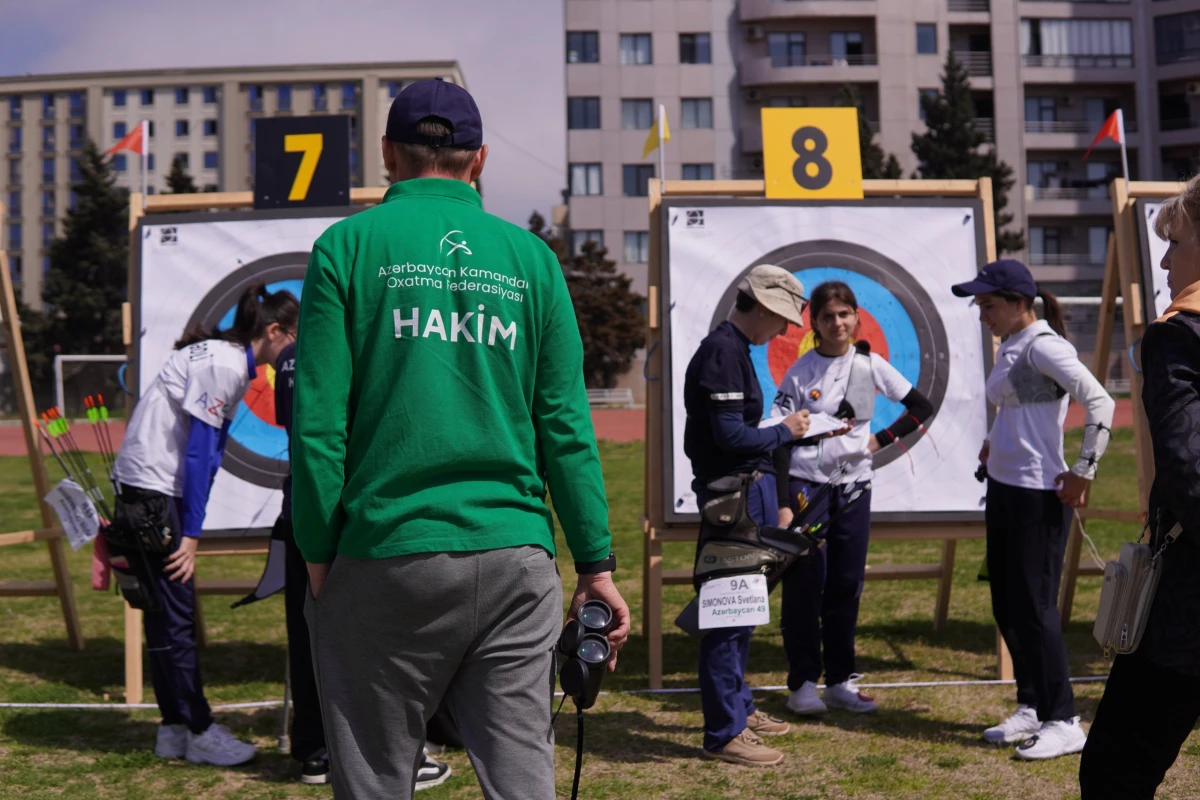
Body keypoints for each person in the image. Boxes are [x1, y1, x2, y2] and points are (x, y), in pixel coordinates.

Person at [291, 78, 629, 800]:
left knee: (376, 781)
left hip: (384, 554)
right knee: (522, 781)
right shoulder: (531, 259)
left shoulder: (345, 247)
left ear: (387, 155)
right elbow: (564, 427)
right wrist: (595, 564)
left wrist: (318, 555)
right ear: (479, 161)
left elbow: (318, 425)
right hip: (514, 560)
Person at [110, 284, 297, 766]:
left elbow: (209, 452)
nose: (296, 351)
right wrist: (191, 533)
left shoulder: (226, 358)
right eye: (294, 339)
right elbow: (197, 454)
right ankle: (197, 726)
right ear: (273, 331)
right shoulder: (224, 364)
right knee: (174, 614)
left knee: (162, 612)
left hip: (145, 489)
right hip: (155, 493)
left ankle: (173, 728)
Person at [951, 259, 1114, 760]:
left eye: (989, 304)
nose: (982, 314)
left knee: (1036, 608)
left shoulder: (1045, 346)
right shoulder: (1013, 347)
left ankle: (1064, 718)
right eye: (979, 305)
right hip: (1004, 488)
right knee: (1007, 602)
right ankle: (1033, 704)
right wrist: (989, 444)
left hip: (1038, 495)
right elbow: (1017, 412)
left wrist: (1084, 469)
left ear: (1020, 304)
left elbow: (1101, 401)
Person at [273, 341, 451, 788]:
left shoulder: (286, 358)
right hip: (350, 517)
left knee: (314, 637)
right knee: (377, 647)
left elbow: (294, 424)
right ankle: (395, 755)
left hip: (303, 510)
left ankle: (315, 749)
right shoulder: (354, 341)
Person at [1080, 175, 1200, 798]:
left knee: (1114, 773)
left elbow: (1189, 475)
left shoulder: (1180, 333)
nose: (1163, 258)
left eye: (1174, 240)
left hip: (1188, 606)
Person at [771, 280, 934, 717]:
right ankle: (802, 683)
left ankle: (840, 681)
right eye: (827, 316)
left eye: (844, 314)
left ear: (856, 317)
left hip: (854, 487)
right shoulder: (801, 371)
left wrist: (881, 439)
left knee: (845, 584)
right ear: (815, 324)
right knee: (804, 586)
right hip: (807, 489)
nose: (837, 323)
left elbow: (921, 406)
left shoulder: (871, 364)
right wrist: (786, 500)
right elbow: (780, 439)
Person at [683, 264, 812, 767]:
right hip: (732, 498)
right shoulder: (722, 351)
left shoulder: (734, 349)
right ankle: (724, 734)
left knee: (742, 610)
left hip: (743, 495)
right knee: (726, 616)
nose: (783, 330)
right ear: (758, 307)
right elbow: (730, 437)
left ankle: (738, 709)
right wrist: (787, 431)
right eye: (780, 319)